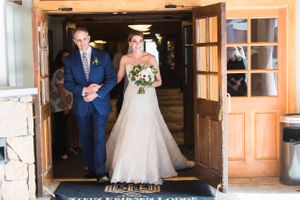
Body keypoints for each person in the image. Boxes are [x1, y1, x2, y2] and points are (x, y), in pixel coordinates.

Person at [106, 31, 194, 185]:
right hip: (131, 97)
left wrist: (145, 82)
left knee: (147, 127)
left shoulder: (150, 58)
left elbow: (159, 81)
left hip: (147, 97)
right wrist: (101, 88)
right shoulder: (125, 59)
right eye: (134, 41)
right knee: (130, 127)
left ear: (143, 42)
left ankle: (150, 167)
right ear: (130, 43)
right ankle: (126, 167)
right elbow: (118, 78)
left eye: (140, 41)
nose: (137, 44)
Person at [64, 27, 117, 182]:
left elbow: (111, 79)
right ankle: (91, 169)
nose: (82, 42)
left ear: (89, 38)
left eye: (84, 39)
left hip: (100, 103)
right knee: (86, 138)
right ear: (74, 41)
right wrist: (84, 90)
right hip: (82, 104)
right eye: (78, 40)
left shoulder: (103, 56)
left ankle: (101, 172)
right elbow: (67, 82)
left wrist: (97, 93)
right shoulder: (70, 60)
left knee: (99, 137)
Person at [50, 50, 72, 160]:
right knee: (60, 129)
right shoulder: (60, 72)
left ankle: (63, 150)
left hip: (66, 104)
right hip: (60, 105)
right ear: (61, 59)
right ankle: (60, 152)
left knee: (63, 128)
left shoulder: (68, 71)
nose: (67, 60)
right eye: (65, 57)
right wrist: (65, 105)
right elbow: (61, 89)